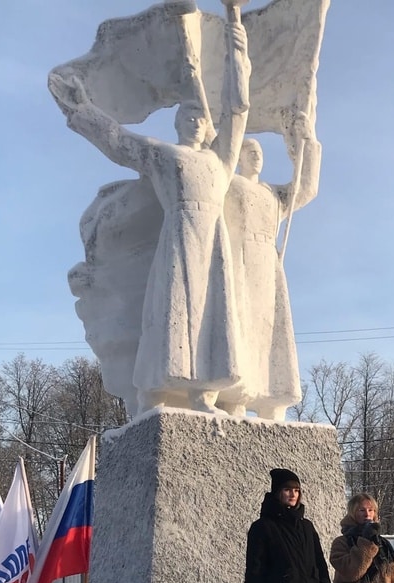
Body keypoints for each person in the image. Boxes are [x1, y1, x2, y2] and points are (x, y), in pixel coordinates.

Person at [48, 14, 251, 415]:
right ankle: (155, 389)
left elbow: (238, 110)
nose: (194, 120)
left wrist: (237, 42)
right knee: (171, 312)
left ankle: (203, 394)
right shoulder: (163, 155)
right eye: (188, 115)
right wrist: (82, 108)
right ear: (177, 122)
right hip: (178, 237)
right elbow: (117, 141)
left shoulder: (219, 162)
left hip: (211, 241)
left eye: (201, 117)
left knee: (212, 314)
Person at [223, 129, 321, 420]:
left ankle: (271, 397)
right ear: (239, 157)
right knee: (240, 327)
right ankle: (235, 396)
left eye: (260, 155)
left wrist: (306, 148)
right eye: (251, 153)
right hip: (238, 259)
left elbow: (305, 190)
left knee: (270, 332)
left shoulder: (271, 194)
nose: (257, 158)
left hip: (266, 263)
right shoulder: (230, 184)